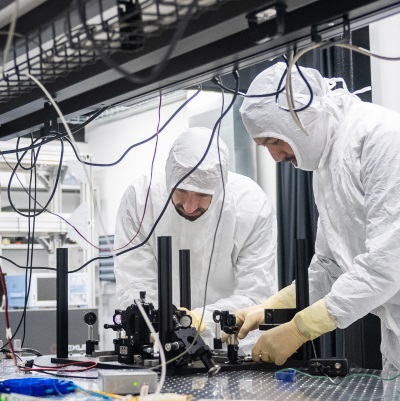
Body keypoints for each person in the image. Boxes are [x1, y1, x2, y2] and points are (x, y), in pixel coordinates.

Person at [233, 61, 400, 376]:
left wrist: (300, 328)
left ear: (302, 117)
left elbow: (387, 263)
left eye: (274, 141)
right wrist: (271, 308)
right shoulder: (327, 161)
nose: (276, 157)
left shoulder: (382, 138)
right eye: (264, 146)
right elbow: (330, 266)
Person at [114, 127, 277, 346]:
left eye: (202, 194)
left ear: (220, 188)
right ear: (169, 178)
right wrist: (155, 327)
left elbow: (254, 294)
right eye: (181, 190)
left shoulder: (250, 206)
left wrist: (200, 320)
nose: (189, 206)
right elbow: (135, 283)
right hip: (161, 343)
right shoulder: (142, 200)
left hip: (230, 343)